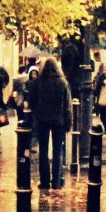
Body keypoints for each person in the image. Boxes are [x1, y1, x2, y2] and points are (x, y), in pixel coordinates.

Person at [29, 55, 73, 189]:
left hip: (42, 120)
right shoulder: (63, 82)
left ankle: (44, 180)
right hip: (58, 120)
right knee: (57, 151)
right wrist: (68, 122)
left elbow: (32, 102)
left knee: (43, 151)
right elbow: (67, 105)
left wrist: (37, 113)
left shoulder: (38, 82)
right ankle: (56, 181)